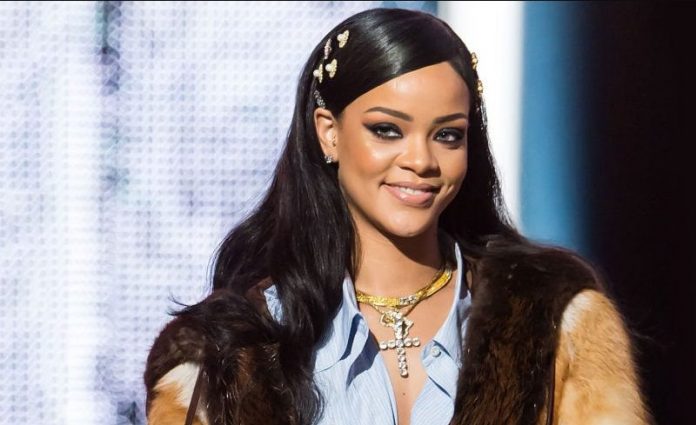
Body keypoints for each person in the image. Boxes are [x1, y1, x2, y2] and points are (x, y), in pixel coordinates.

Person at [143, 8, 650, 425]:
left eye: (447, 134)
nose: (422, 160)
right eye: (387, 130)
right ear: (328, 132)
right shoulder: (223, 354)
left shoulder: (555, 321)